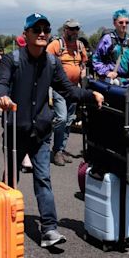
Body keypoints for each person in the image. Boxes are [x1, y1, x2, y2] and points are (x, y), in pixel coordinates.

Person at [0, 12, 104, 248]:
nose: (43, 33)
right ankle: (3, 219)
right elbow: (2, 82)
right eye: (37, 30)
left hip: (41, 131)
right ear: (26, 34)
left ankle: (49, 229)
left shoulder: (52, 63)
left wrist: (90, 94)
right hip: (16, 129)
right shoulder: (12, 60)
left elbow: (69, 90)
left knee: (43, 178)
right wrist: (3, 96)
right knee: (11, 180)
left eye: (46, 29)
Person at [46, 19, 87, 166]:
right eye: (71, 29)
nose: (74, 32)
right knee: (62, 118)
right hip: (59, 89)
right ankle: (56, 150)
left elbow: (83, 62)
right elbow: (45, 60)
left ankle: (61, 150)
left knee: (69, 120)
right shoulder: (56, 44)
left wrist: (81, 71)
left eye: (76, 29)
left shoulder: (80, 45)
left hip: (74, 89)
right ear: (65, 30)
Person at [92, 8, 129, 92]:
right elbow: (96, 59)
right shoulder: (107, 39)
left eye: (126, 22)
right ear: (114, 23)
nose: (124, 25)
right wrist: (107, 73)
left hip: (128, 83)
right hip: (111, 83)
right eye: (121, 22)